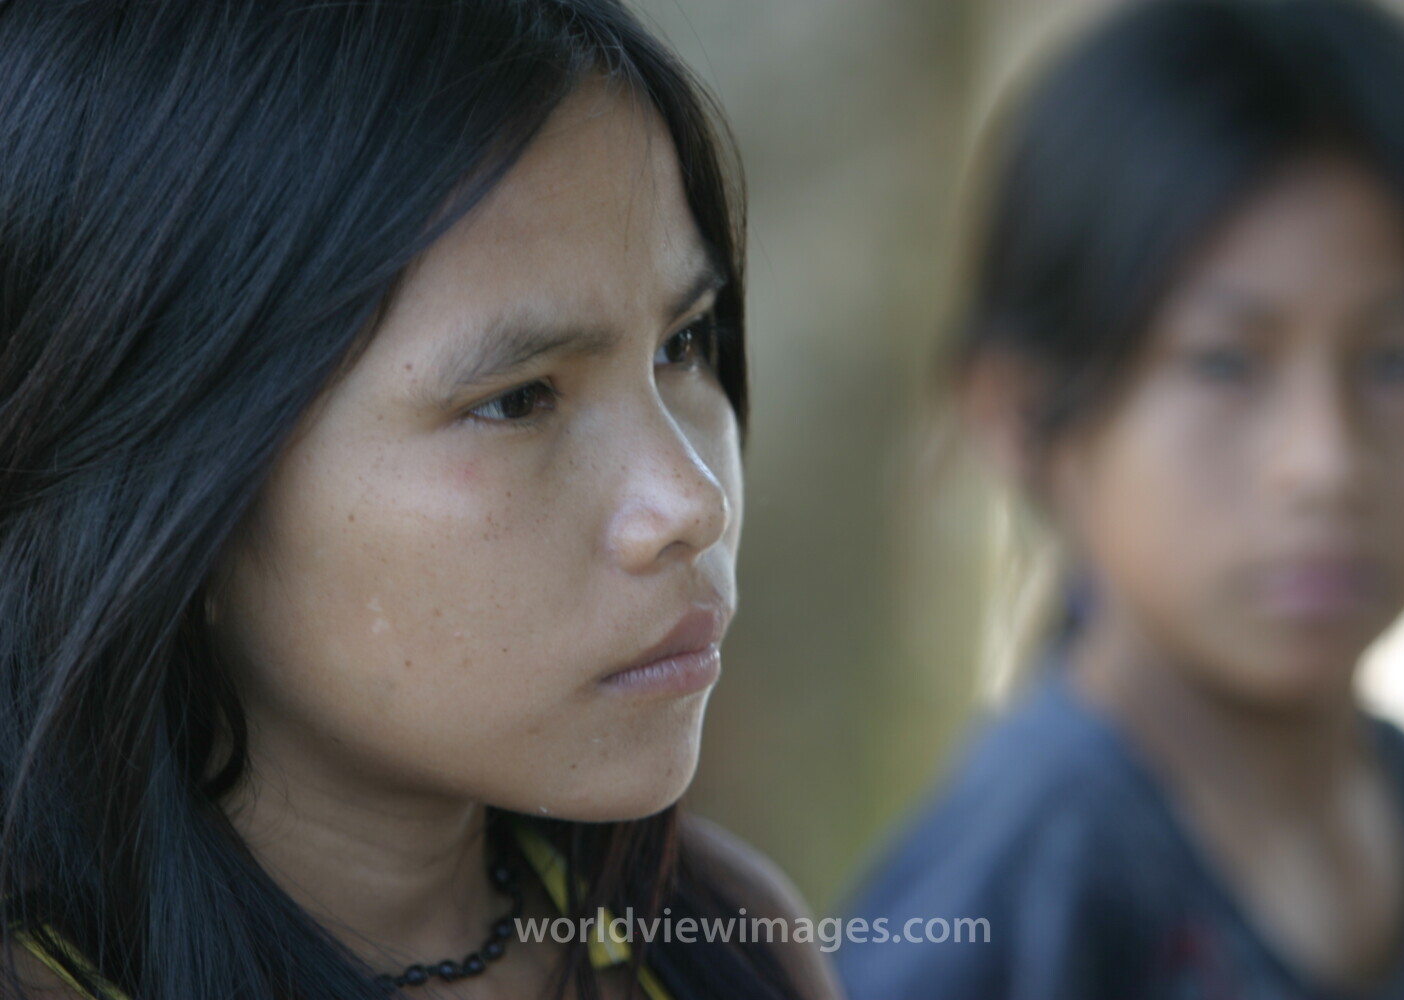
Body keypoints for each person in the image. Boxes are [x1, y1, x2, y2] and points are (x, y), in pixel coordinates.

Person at [0, 3, 843, 999]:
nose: (690, 502)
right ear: (173, 498)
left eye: (685, 343)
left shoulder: (723, 940)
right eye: (519, 398)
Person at [835, 1, 1404, 997]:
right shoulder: (1026, 869)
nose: (1324, 463)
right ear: (1022, 412)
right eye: (1226, 362)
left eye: (1400, 362)